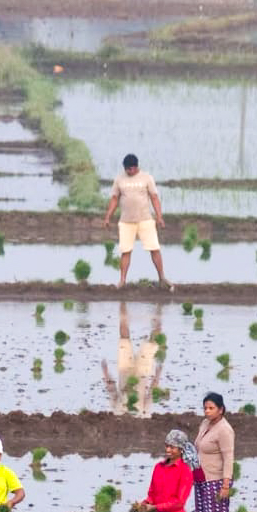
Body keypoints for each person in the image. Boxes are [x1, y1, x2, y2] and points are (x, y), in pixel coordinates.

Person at [101, 153, 169, 290]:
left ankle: (162, 278)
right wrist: (108, 216)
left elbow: (154, 197)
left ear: (136, 167)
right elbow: (114, 199)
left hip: (145, 220)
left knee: (154, 249)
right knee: (125, 251)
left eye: (131, 169)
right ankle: (122, 281)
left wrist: (159, 217)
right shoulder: (119, 179)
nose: (129, 171)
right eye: (127, 169)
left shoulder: (146, 178)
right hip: (126, 221)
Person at [194, 392, 235, 512]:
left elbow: (228, 458)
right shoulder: (205, 424)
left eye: (211, 408)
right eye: (205, 408)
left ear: (221, 410)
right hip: (202, 479)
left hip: (217, 481)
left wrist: (226, 485)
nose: (207, 411)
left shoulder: (224, 430)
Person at [101, 302, 164, 416]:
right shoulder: (143, 415)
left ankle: (122, 299)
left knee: (124, 336)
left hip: (124, 370)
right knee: (154, 340)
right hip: (142, 372)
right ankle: (159, 306)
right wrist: (157, 375)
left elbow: (113, 392)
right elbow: (150, 394)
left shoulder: (117, 413)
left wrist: (105, 373)